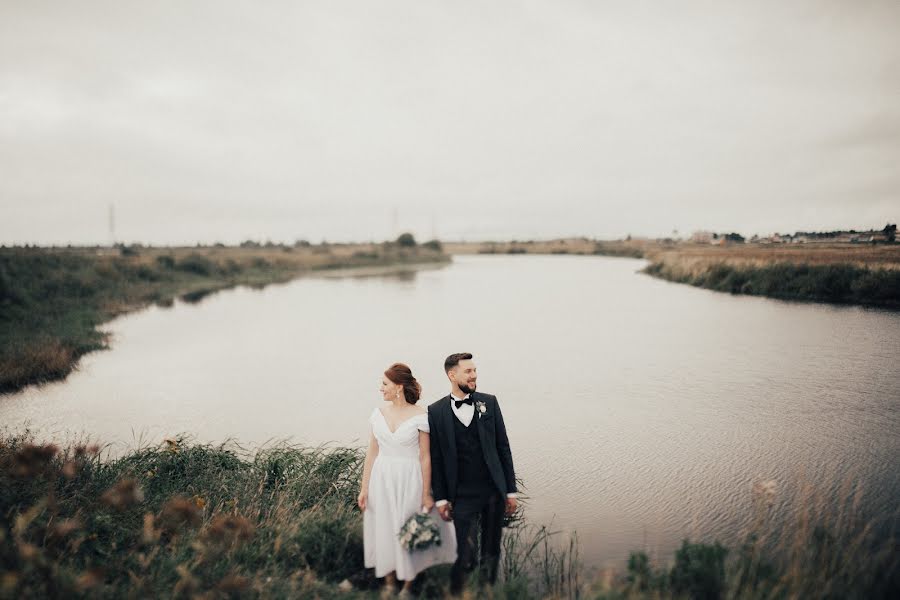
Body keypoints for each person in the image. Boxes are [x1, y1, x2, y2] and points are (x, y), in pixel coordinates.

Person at [359, 363, 457, 596]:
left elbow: (425, 457)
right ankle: (390, 581)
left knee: (406, 527)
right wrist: (364, 488)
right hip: (381, 479)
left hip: (410, 478)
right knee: (384, 527)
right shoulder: (378, 414)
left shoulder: (422, 416)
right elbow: (372, 452)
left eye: (385, 384)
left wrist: (426, 493)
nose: (380, 389)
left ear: (399, 387)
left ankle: (409, 584)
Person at [427, 353, 518, 595]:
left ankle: (487, 593)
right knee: (464, 554)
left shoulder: (490, 402)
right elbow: (435, 458)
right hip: (462, 496)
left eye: (475, 370)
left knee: (491, 553)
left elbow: (503, 448)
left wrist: (510, 491)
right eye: (468, 371)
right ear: (452, 375)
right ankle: (459, 594)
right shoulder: (435, 412)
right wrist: (442, 498)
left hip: (492, 492)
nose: (474, 375)